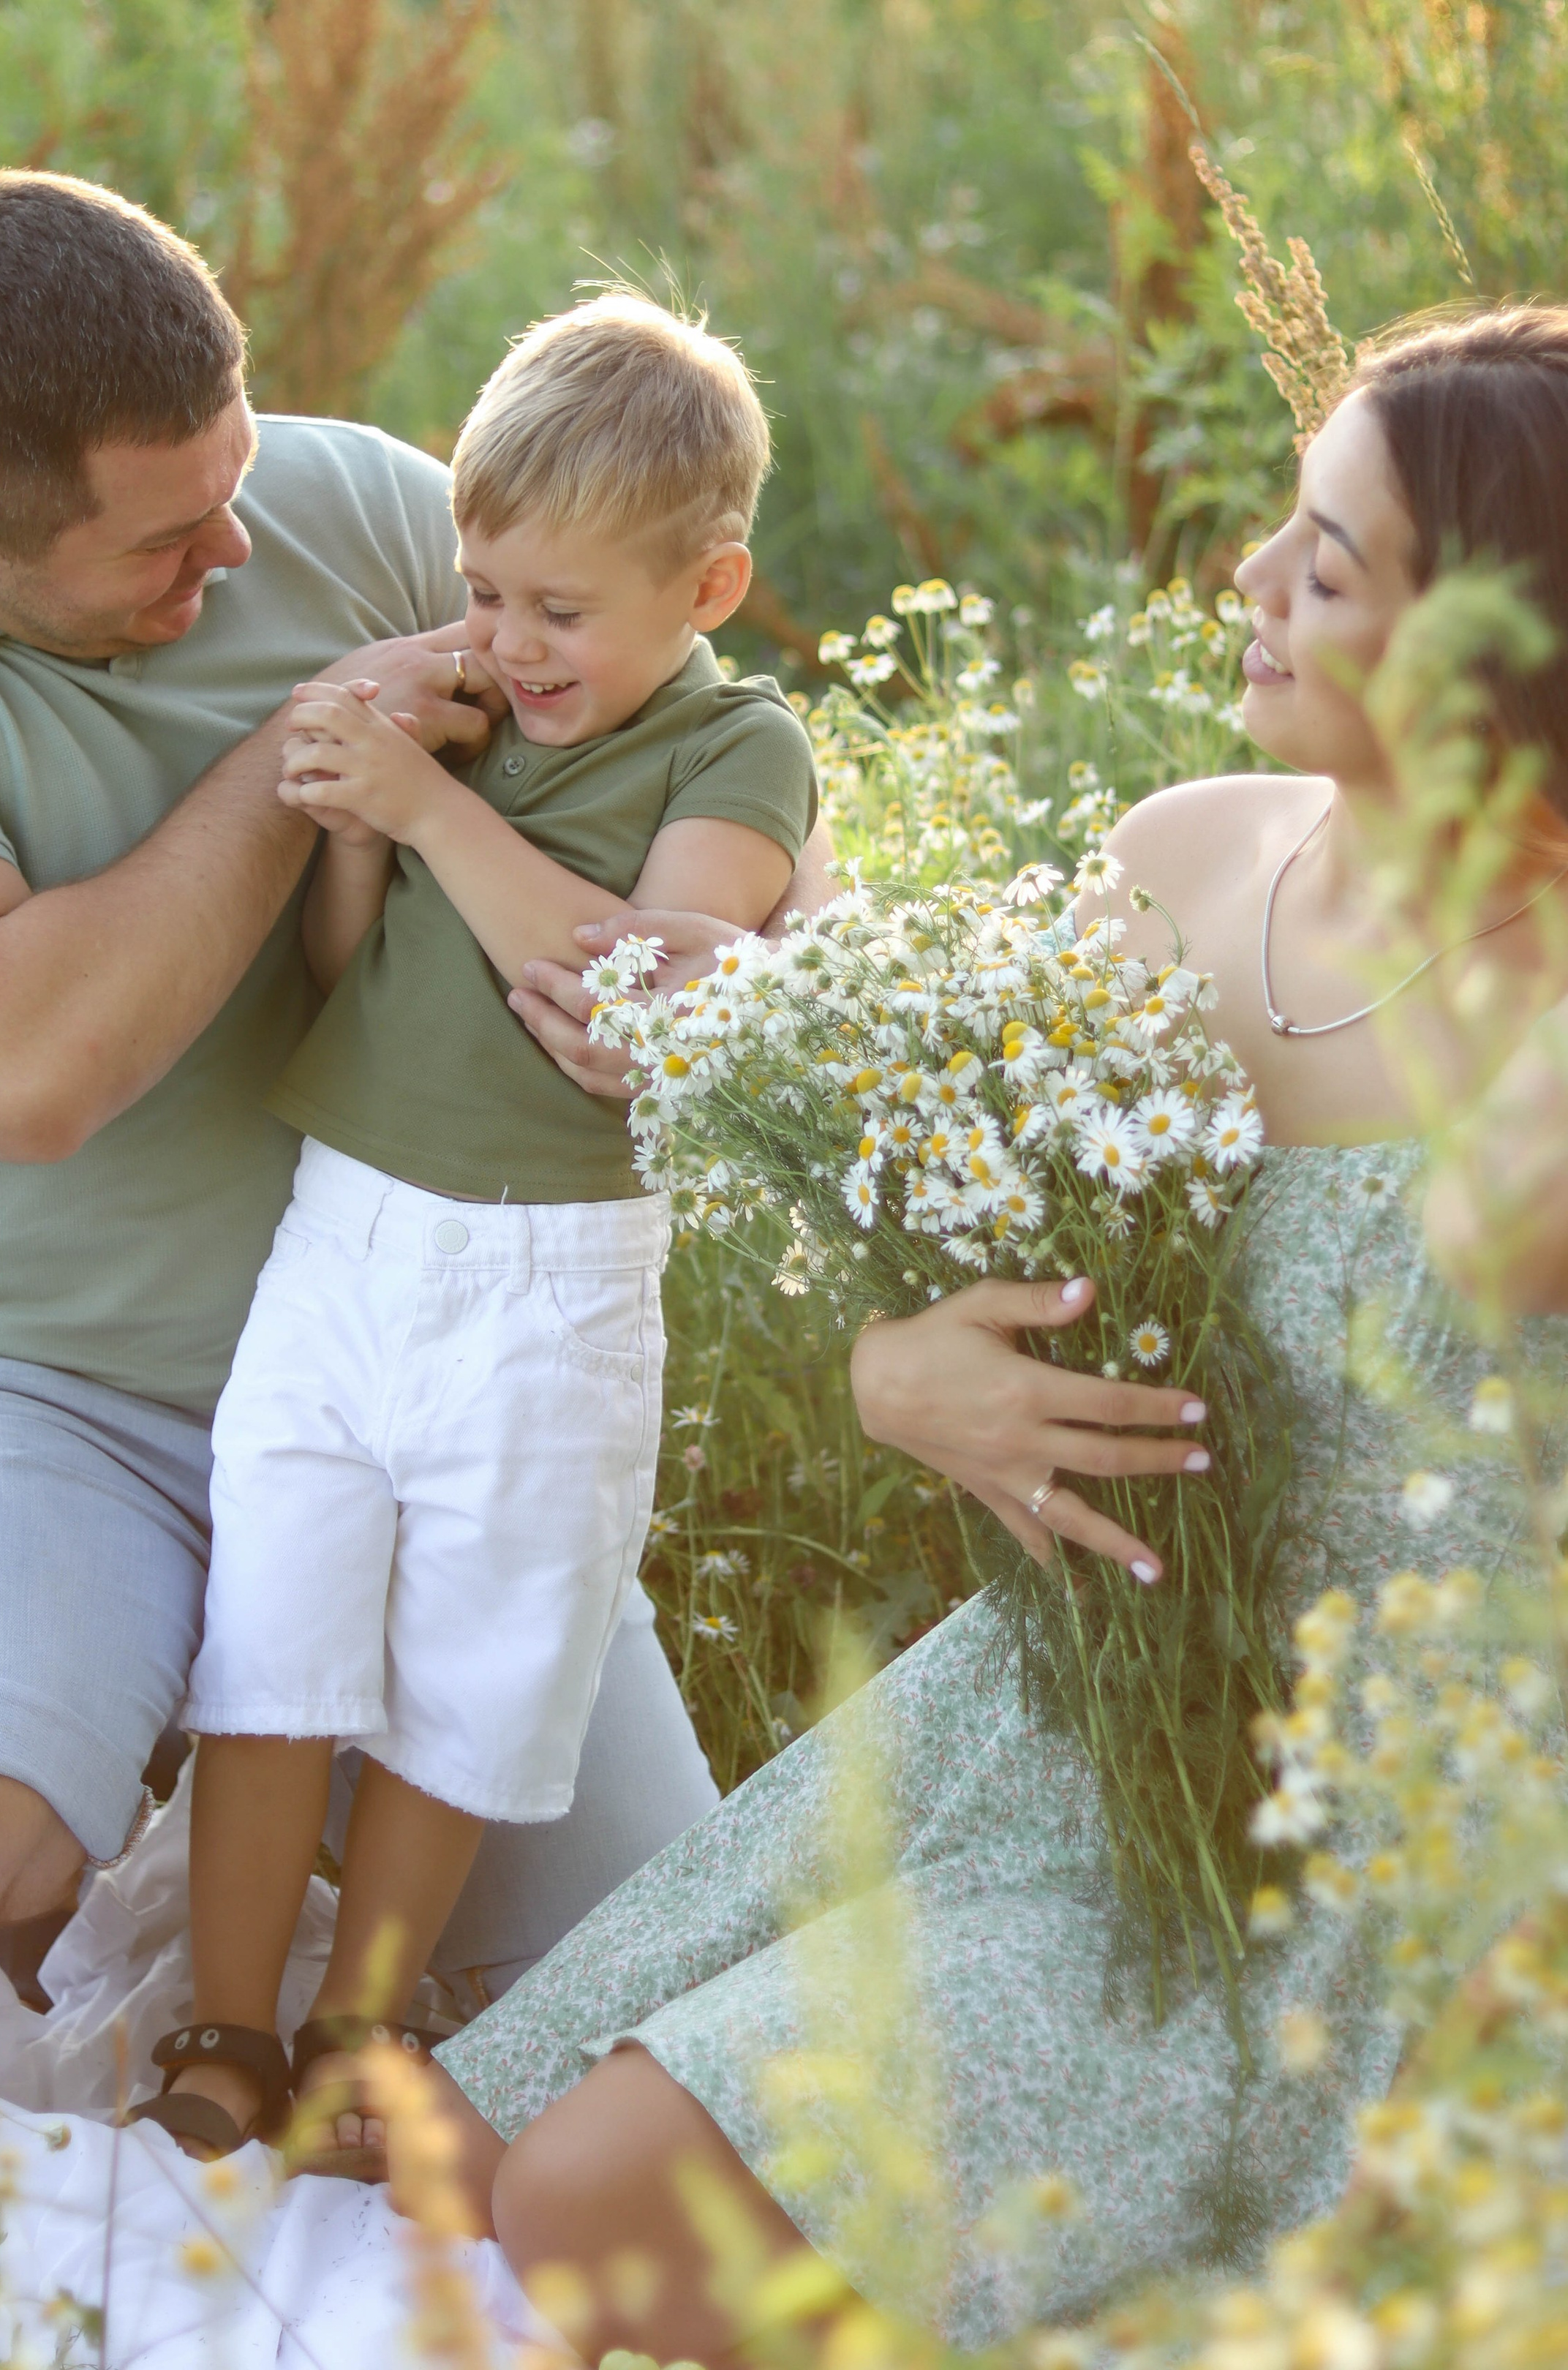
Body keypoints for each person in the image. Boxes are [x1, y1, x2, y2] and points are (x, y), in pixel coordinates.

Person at [410, 306, 1568, 2363]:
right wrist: (899, 1380)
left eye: (1329, 565)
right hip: (1089, 1725)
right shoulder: (1186, 862)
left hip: (1420, 1848)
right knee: (501, 2170)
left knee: (605, 2218)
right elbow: (972, 1248)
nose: (1247, 585)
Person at [0, 170, 830, 1985]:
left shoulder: (354, 508)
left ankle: (244, 1866)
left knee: (654, 1998)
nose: (236, 554)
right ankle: (101, 1758)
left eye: (233, 482)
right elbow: (23, 1069)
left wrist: (758, 944)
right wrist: (306, 753)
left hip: (424, 1366)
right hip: (33, 1386)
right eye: (165, 545)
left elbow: (687, 743)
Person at [142, 296, 819, 2168]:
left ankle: (361, 2035)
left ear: (709, 586)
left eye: (561, 609)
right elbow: (361, 987)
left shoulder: (734, 759)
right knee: (268, 1632)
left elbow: (626, 1021)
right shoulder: (477, 730)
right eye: (485, 589)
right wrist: (363, 826)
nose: (510, 645)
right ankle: (226, 2013)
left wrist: (425, 805)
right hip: (342, 1241)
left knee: (472, 1671)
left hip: (550, 1282)